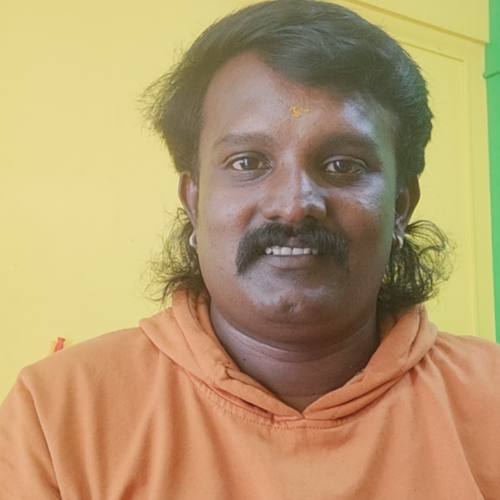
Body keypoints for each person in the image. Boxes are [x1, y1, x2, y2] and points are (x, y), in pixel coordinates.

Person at [1, 0, 499, 498]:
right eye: (247, 162)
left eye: (343, 165)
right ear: (193, 201)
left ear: (400, 207)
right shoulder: (56, 414)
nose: (294, 205)